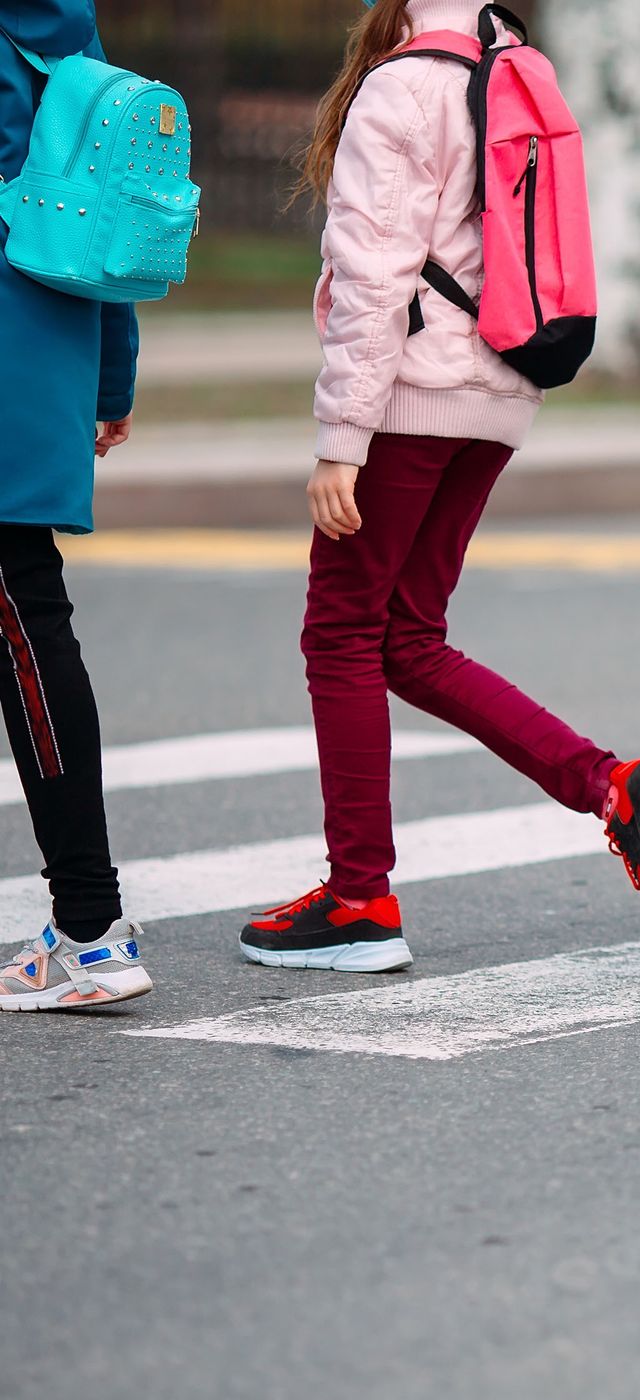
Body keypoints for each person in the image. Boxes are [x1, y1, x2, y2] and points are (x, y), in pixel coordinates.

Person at [240, 0, 640, 973]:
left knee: (339, 631)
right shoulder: (514, 68)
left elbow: (374, 275)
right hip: (499, 391)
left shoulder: (403, 87)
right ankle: (612, 788)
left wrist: (342, 438)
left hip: (413, 397)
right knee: (405, 638)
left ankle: (359, 899)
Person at [0, 0, 153, 1011]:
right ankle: (89, 926)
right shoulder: (68, 42)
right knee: (24, 614)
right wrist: (108, 381)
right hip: (42, 360)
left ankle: (93, 930)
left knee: (20, 615)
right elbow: (116, 211)